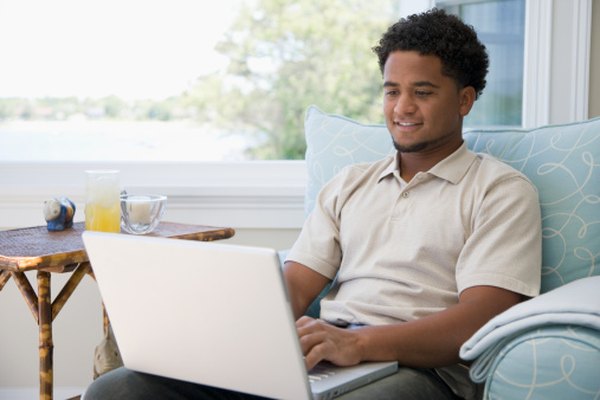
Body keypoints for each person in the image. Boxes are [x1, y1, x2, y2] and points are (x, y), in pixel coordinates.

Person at [84, 8, 541, 400]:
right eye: (391, 90)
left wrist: (359, 345)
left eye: (422, 92)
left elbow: (484, 317)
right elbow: (297, 288)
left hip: (421, 373)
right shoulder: (350, 185)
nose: (402, 107)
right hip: (322, 353)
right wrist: (216, 333)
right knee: (118, 390)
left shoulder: (499, 190)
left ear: (464, 100)